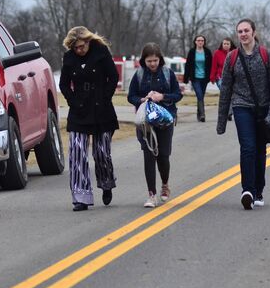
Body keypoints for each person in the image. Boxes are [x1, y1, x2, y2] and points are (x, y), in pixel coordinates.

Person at [216, 19, 270, 210]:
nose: (243, 34)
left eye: (246, 30)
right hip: (241, 106)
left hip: (263, 109)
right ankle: (248, 191)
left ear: (254, 32)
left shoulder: (266, 54)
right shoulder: (232, 57)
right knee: (248, 147)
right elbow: (226, 89)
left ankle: (258, 190)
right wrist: (221, 122)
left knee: (260, 150)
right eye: (240, 31)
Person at [59, 26, 119, 212]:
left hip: (102, 109)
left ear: (88, 41)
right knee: (77, 152)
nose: (79, 50)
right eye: (76, 47)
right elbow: (63, 84)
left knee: (101, 153)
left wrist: (105, 97)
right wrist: (72, 100)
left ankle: (106, 183)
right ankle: (80, 196)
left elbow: (113, 77)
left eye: (82, 46)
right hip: (79, 110)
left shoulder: (101, 52)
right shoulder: (69, 58)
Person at [128, 43, 183, 208]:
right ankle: (151, 195)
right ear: (143, 60)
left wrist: (162, 96)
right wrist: (142, 100)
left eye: (155, 60)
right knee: (149, 155)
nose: (152, 64)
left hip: (165, 120)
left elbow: (178, 94)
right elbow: (131, 96)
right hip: (145, 122)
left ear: (160, 59)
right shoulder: (138, 75)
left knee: (163, 156)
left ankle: (165, 184)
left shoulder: (168, 74)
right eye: (149, 61)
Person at [184, 35, 213, 122]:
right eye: (198, 40)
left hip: (204, 78)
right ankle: (203, 114)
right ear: (195, 42)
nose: (200, 42)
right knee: (199, 95)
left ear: (204, 42)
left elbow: (211, 65)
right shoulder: (192, 52)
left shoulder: (207, 52)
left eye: (202, 40)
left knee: (201, 96)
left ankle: (199, 114)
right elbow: (188, 65)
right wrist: (186, 78)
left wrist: (211, 77)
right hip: (195, 77)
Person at [211, 37, 237, 120]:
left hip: (232, 78)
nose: (226, 45)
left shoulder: (234, 53)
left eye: (227, 44)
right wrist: (212, 77)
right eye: (224, 44)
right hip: (220, 77)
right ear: (222, 45)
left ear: (230, 45)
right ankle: (228, 112)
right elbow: (214, 66)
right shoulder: (217, 53)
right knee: (225, 95)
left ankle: (229, 112)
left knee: (233, 95)